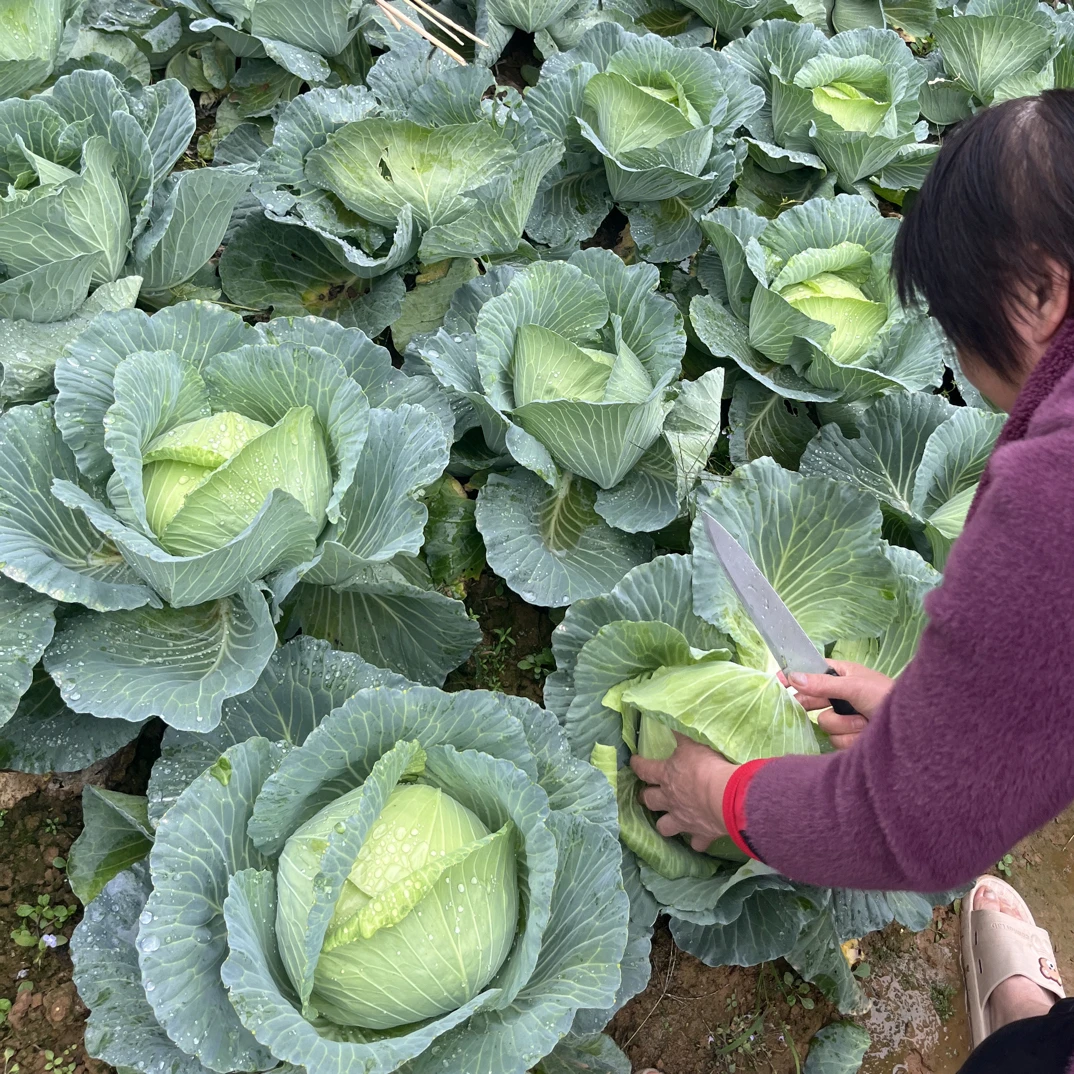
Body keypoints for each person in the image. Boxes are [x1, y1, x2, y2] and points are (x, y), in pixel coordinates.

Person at [631, 90, 1074, 1073]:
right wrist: (953, 720)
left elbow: (908, 828)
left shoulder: (1058, 498)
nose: (959, 365)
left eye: (961, 330)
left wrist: (728, 798)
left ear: (1043, 293)